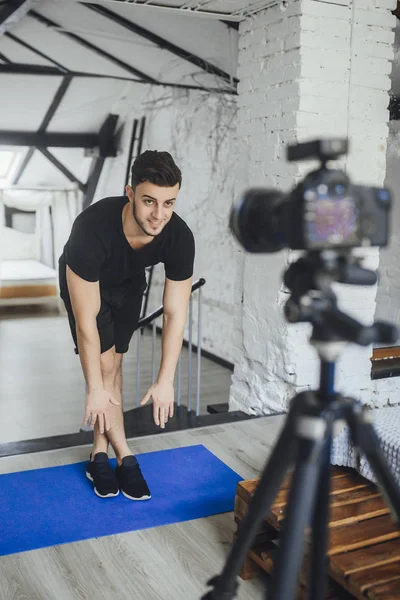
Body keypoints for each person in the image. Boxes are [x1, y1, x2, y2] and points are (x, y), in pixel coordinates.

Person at [58, 150, 195, 500]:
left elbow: (175, 312)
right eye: (149, 201)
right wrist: (93, 387)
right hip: (85, 282)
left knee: (115, 364)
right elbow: (87, 320)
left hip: (129, 282)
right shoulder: (92, 228)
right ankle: (124, 454)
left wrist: (165, 381)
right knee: (103, 368)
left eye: (169, 203)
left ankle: (97, 455)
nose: (159, 214)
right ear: (130, 192)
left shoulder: (178, 235)